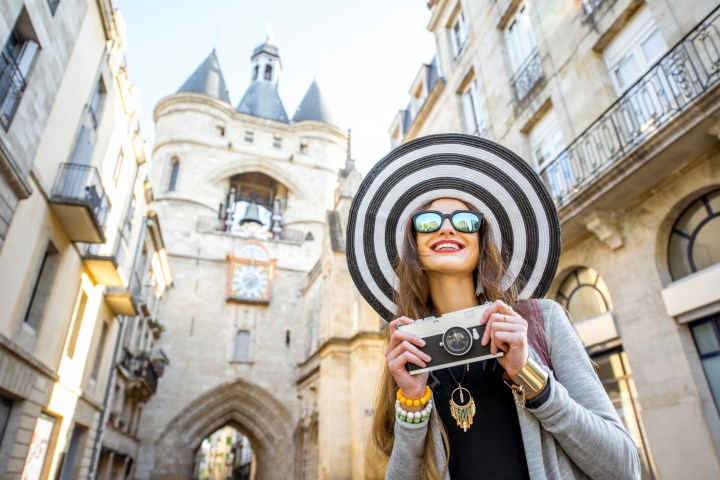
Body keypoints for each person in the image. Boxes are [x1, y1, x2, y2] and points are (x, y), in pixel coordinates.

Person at [345, 134, 641, 479]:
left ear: (481, 237)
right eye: (427, 222)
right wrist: (412, 401)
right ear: (413, 242)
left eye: (465, 221)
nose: (446, 229)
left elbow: (623, 466)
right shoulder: (410, 349)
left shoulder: (540, 321)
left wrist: (528, 374)